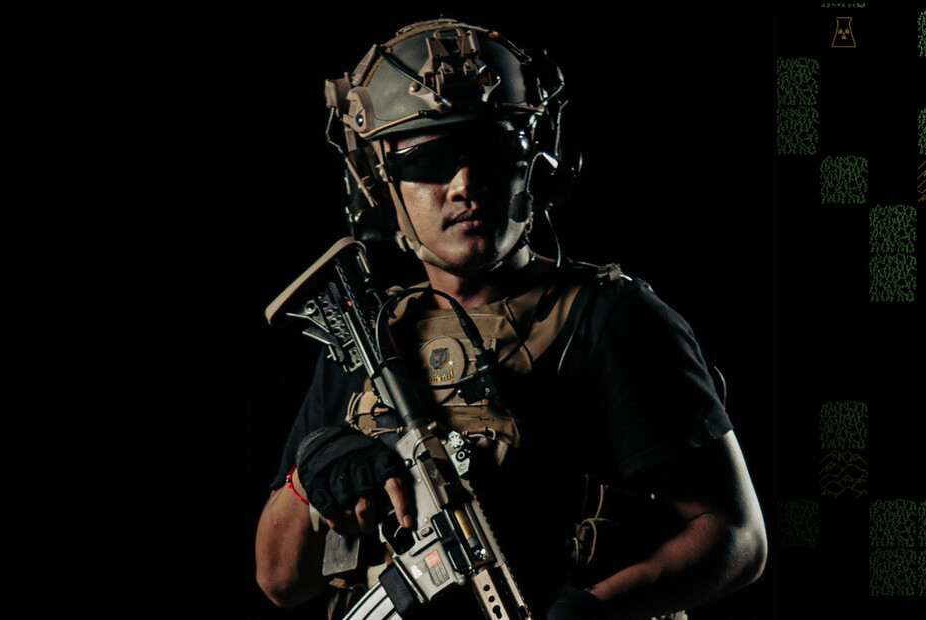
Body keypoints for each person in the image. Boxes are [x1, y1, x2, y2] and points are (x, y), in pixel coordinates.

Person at [255, 19, 766, 620]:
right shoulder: (365, 334)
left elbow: (736, 537)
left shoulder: (610, 320)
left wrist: (596, 610)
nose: (466, 184)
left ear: (536, 162)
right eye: (430, 159)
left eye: (494, 150)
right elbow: (279, 581)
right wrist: (309, 481)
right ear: (377, 181)